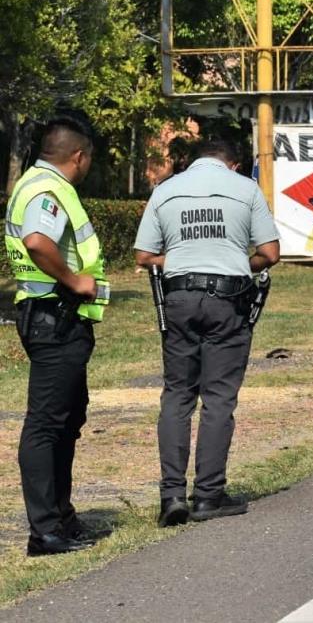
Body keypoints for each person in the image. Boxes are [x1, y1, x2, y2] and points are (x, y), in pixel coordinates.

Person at [133, 137, 280, 527]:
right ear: (232, 165)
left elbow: (144, 256)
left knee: (177, 395)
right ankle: (209, 495)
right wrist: (235, 261)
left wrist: (181, 258)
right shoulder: (246, 189)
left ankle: (171, 495)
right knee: (218, 398)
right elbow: (270, 253)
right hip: (227, 301)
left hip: (178, 298)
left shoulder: (165, 190)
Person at [4, 116, 109, 556]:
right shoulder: (48, 191)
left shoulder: (34, 183)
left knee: (66, 418)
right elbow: (37, 241)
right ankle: (44, 530)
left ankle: (62, 519)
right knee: (47, 424)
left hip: (52, 316)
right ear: (78, 156)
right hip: (54, 316)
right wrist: (74, 278)